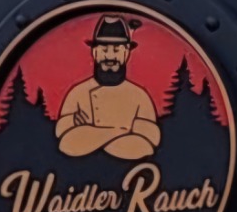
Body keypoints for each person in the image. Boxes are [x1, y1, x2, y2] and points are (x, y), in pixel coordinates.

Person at [54, 17, 162, 160]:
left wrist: (92, 134)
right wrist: (120, 131)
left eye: (116, 50)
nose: (110, 56)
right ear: (94, 52)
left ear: (126, 53)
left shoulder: (139, 96)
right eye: (104, 49)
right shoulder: (78, 92)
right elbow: (61, 132)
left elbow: (151, 137)